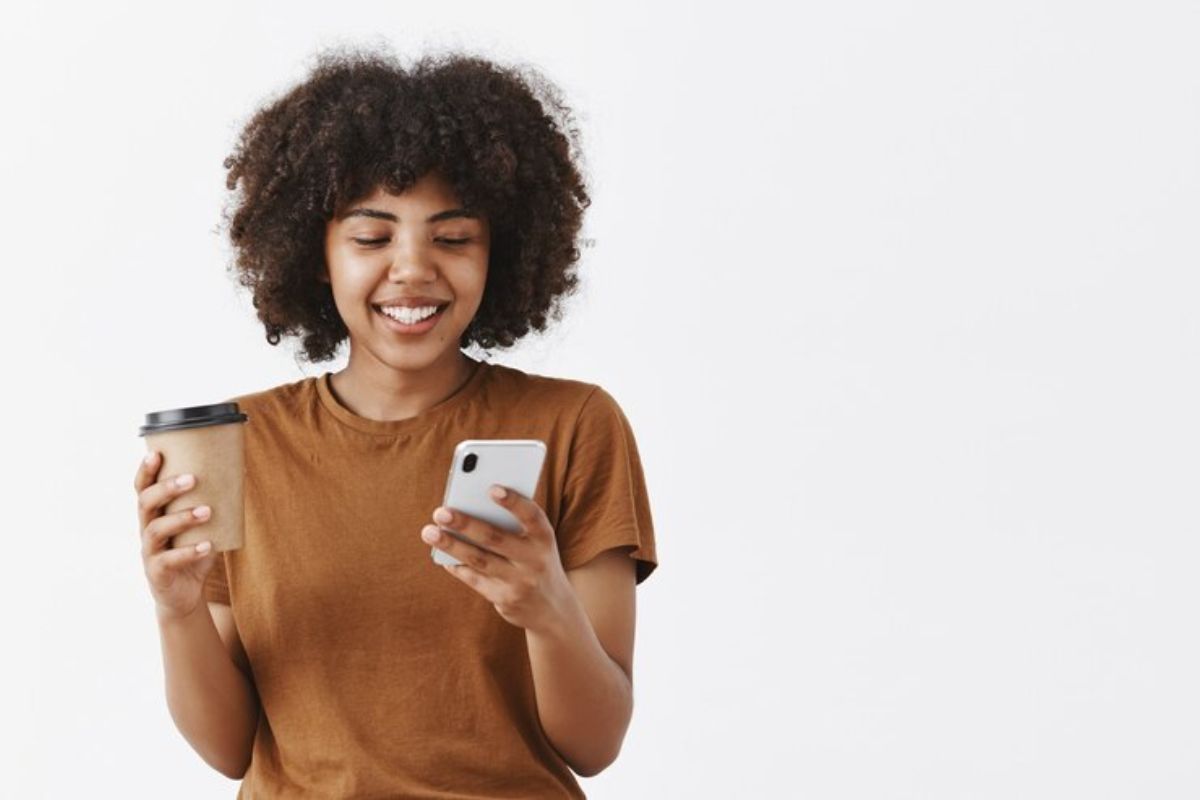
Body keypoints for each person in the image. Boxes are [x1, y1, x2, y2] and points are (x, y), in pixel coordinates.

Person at [133, 44, 657, 799]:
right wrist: (176, 610)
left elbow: (595, 743)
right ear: (314, 254)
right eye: (371, 237)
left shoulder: (574, 423)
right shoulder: (242, 440)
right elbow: (228, 749)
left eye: (452, 237)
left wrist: (546, 611)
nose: (412, 268)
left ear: (498, 252)